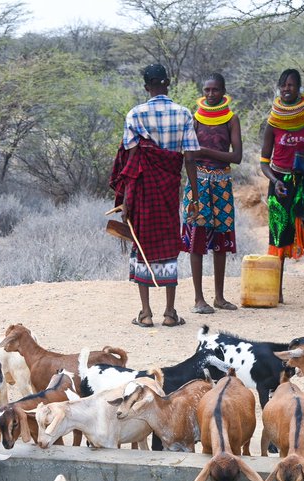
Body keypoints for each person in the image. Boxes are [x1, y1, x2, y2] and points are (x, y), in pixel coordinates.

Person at [109, 63, 200, 328]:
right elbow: (190, 157)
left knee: (142, 244)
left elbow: (132, 161)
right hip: (170, 188)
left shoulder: (135, 115)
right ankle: (170, 313)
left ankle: (146, 313)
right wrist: (194, 193)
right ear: (168, 83)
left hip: (143, 190)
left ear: (146, 86)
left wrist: (126, 200)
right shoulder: (183, 114)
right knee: (169, 244)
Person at [260, 68, 304, 305]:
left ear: (299, 88)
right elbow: (263, 162)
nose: (286, 89)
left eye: (291, 85)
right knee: (280, 235)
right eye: (283, 85)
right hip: (281, 184)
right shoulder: (273, 122)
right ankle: (277, 293)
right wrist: (275, 180)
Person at [182, 73, 242, 314]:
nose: (210, 94)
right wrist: (198, 155)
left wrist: (203, 150)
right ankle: (199, 298)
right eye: (206, 90)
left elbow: (236, 157)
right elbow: (188, 154)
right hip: (197, 184)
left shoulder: (231, 119)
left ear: (223, 91)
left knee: (221, 241)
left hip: (222, 184)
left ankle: (219, 297)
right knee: (196, 239)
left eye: (215, 90)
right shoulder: (194, 118)